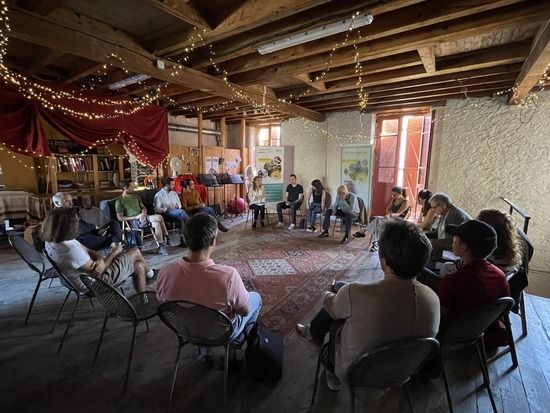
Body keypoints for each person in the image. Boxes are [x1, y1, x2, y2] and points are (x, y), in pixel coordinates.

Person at [296, 220, 439, 390]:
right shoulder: (433, 298)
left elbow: (332, 308)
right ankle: (315, 330)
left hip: (356, 372)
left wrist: (327, 293)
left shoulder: (356, 293)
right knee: (344, 295)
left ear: (383, 260)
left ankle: (331, 371)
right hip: (404, 370)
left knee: (337, 317)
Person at [156, 213, 262, 343]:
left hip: (185, 331)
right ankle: (237, 343)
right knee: (256, 298)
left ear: (186, 239)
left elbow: (163, 303)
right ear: (213, 241)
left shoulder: (165, 272)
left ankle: (206, 354)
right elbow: (244, 311)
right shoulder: (228, 276)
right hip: (220, 334)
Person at [42, 207, 156, 295]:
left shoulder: (52, 241)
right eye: (75, 223)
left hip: (85, 277)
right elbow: (98, 272)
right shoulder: (69, 249)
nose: (77, 225)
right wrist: (114, 253)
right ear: (66, 226)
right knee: (135, 251)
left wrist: (100, 259)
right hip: (93, 285)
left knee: (139, 265)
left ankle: (143, 297)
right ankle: (151, 275)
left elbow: (88, 250)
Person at [437, 220, 511, 349]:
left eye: (456, 237)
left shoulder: (453, 280)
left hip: (453, 335)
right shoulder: (500, 276)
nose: (453, 240)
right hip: (483, 331)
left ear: (464, 247)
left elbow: (438, 317)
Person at [439, 209, 523, 276]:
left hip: (468, 286)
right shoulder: (505, 252)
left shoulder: (486, 254)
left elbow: (460, 267)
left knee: (444, 267)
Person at [52, 192, 123, 251]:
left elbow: (83, 224)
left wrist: (96, 231)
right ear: (57, 203)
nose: (71, 204)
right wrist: (94, 228)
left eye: (71, 201)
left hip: (89, 233)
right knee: (110, 239)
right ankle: (116, 244)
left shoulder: (71, 212)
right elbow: (76, 231)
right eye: (67, 201)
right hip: (81, 240)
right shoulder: (57, 217)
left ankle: (117, 244)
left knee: (114, 223)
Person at [115, 179, 169, 256]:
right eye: (131, 187)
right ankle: (167, 236)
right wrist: (136, 217)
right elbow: (120, 218)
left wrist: (143, 213)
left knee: (157, 223)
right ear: (125, 188)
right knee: (159, 217)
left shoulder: (136, 196)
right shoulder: (119, 201)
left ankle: (161, 246)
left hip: (143, 218)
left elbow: (144, 208)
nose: (133, 188)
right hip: (134, 221)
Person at [425, 193, 471, 260]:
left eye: (434, 207)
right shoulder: (445, 213)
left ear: (443, 205)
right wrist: (423, 235)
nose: (432, 210)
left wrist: (425, 240)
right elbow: (439, 233)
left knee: (424, 248)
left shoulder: (455, 215)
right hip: (452, 246)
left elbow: (447, 242)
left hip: (461, 251)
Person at [366, 186, 410, 252]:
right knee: (378, 221)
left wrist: (390, 214)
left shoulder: (405, 202)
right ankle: (376, 243)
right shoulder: (394, 200)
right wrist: (390, 213)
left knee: (378, 222)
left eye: (394, 195)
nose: (392, 196)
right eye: (392, 194)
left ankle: (365, 232)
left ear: (400, 194)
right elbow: (386, 209)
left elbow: (399, 213)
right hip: (391, 218)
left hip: (399, 220)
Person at [154, 177, 188, 247]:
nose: (174, 186)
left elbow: (179, 205)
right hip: (165, 214)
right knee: (181, 212)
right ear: (167, 185)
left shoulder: (174, 193)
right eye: (172, 185)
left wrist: (176, 207)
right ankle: (192, 226)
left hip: (176, 212)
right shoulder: (158, 195)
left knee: (180, 218)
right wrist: (166, 208)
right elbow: (157, 209)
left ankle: (183, 240)